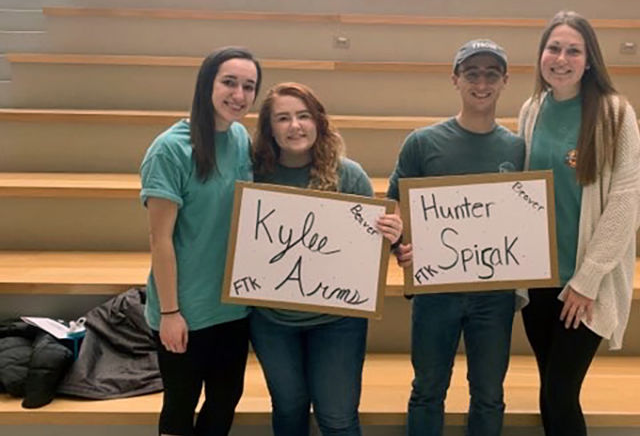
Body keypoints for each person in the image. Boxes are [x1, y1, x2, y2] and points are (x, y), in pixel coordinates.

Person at [517, 11, 640, 436]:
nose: (561, 58)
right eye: (553, 48)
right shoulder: (531, 110)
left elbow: (627, 204)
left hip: (586, 284)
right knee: (548, 384)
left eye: (573, 50)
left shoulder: (615, 114)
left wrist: (587, 280)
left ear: (589, 60)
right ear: (541, 55)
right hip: (539, 278)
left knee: (561, 390)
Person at [248, 82, 403, 436]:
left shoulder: (349, 175)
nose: (295, 126)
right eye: (283, 118)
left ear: (319, 122)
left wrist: (390, 235)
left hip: (337, 320)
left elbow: (368, 248)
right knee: (288, 409)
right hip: (272, 319)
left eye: (303, 116)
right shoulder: (254, 174)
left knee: (337, 417)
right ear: (269, 128)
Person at [387, 39, 525, 436]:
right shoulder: (423, 142)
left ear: (504, 82)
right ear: (455, 79)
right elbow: (395, 205)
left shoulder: (516, 148)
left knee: (489, 393)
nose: (481, 83)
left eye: (491, 74)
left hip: (494, 294)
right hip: (435, 291)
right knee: (428, 390)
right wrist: (400, 246)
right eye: (472, 73)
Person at [139, 46, 262, 436]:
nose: (238, 95)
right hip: (185, 310)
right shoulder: (169, 149)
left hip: (232, 307)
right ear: (206, 84)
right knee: (180, 404)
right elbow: (160, 240)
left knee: (225, 401)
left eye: (248, 86)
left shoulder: (241, 138)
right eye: (229, 82)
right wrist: (171, 313)